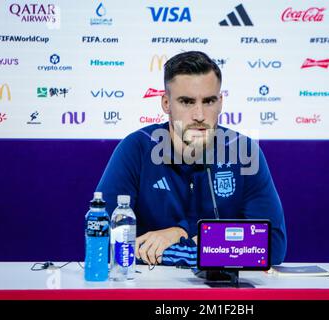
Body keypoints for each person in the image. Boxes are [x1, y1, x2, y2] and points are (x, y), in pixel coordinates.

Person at [96, 51, 287, 266]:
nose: (199, 115)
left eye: (209, 101)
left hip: (221, 295)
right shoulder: (136, 148)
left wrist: (180, 234)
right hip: (150, 290)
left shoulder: (242, 151)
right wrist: (213, 246)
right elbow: (101, 241)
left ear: (221, 102)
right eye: (186, 102)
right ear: (166, 103)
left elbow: (273, 245)